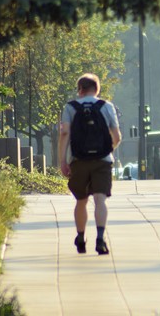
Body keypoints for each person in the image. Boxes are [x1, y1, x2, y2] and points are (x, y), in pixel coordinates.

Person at [58, 73, 122, 255]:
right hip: (103, 161)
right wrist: (107, 150)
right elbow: (117, 136)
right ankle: (100, 239)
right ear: (97, 88)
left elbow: (64, 134)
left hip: (78, 160)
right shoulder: (106, 106)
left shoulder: (70, 107)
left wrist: (63, 160)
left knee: (81, 201)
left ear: (80, 90)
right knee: (100, 200)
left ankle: (80, 238)